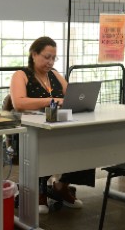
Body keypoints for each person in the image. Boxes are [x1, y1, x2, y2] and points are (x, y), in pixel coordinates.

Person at [10, 36, 95, 214]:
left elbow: (71, 95)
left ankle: (62, 185)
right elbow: (18, 103)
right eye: (46, 57)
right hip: (30, 131)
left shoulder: (55, 74)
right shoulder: (21, 75)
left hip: (56, 125)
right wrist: (51, 100)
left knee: (86, 142)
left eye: (53, 58)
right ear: (34, 54)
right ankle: (38, 191)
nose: (50, 62)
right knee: (47, 145)